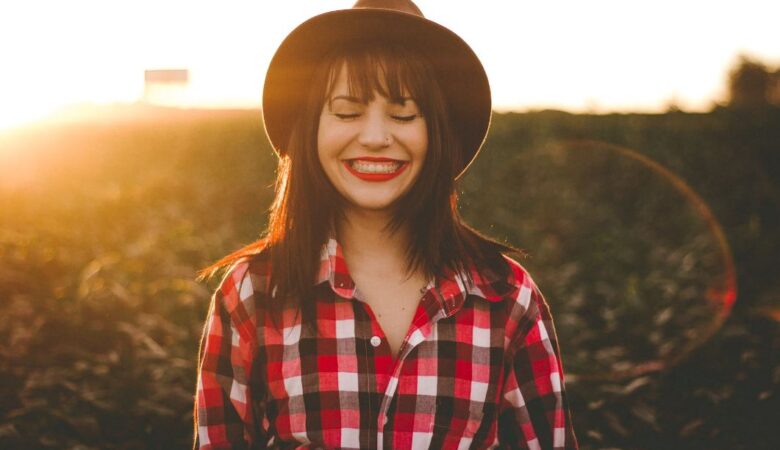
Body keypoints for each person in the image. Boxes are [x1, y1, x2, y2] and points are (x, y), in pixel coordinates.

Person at [194, 0, 577, 448]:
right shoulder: (252, 295)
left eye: (403, 114)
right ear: (311, 128)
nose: (376, 137)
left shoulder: (506, 298)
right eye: (347, 111)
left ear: (437, 132)